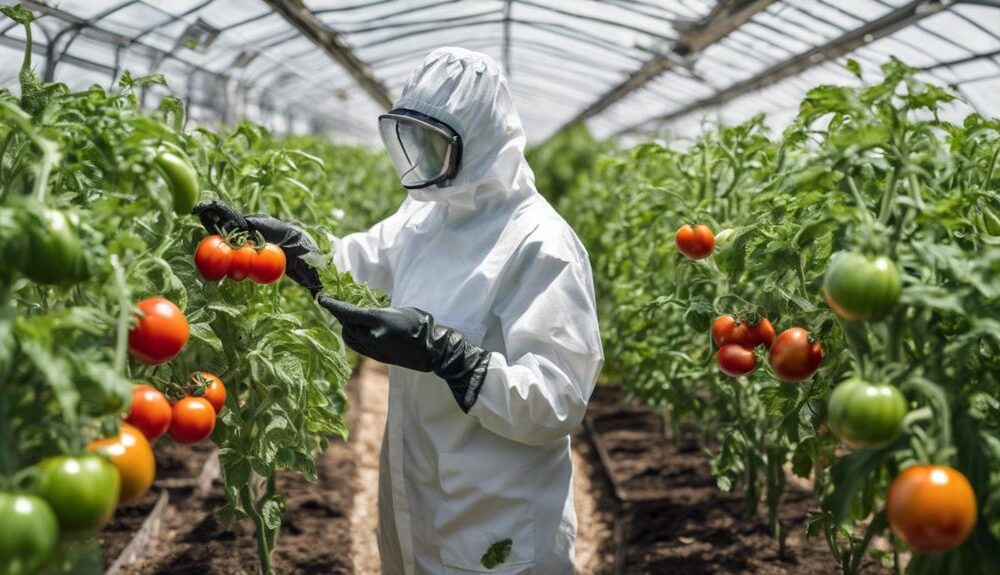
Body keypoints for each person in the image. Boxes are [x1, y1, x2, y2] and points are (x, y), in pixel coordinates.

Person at [194, 47, 603, 575]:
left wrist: (451, 356)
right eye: (411, 139)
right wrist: (297, 248)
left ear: (481, 143)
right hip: (421, 489)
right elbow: (358, 264)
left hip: (497, 518)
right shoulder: (428, 214)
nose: (421, 157)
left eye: (435, 143)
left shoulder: (540, 245)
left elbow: (557, 403)